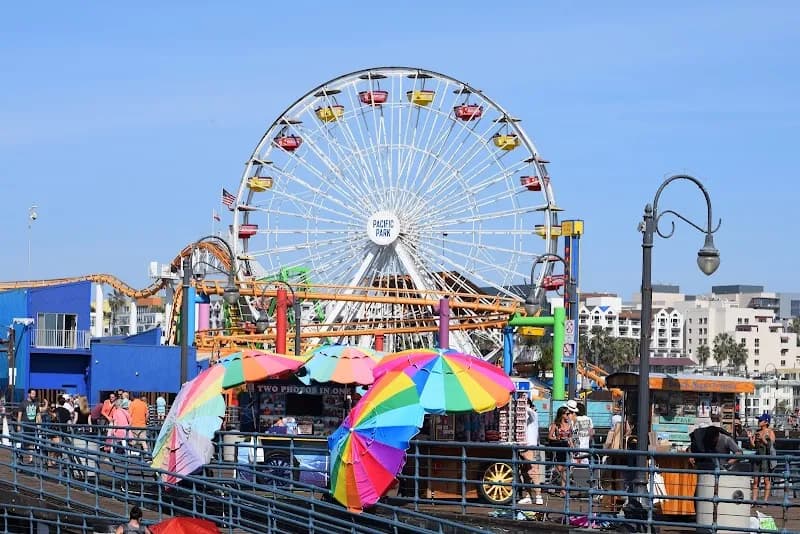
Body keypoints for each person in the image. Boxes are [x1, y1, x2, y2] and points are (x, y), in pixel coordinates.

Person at [518, 398, 543, 505]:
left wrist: (524, 407)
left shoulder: (533, 414)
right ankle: (528, 495)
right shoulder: (522, 417)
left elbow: (530, 412)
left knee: (533, 470)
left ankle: (538, 495)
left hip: (531, 445)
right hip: (522, 445)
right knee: (524, 471)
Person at [750, 413, 777, 502]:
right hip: (758, 457)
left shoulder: (770, 432)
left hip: (766, 458)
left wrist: (763, 439)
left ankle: (765, 501)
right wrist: (751, 439)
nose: (759, 422)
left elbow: (771, 445)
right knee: (755, 480)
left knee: (766, 480)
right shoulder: (757, 432)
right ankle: (754, 501)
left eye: (760, 420)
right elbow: (754, 446)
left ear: (766, 422)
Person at [548, 406, 574, 496]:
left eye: (569, 414)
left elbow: (570, 437)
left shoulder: (569, 424)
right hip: (559, 446)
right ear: (562, 415)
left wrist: (573, 447)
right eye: (567, 414)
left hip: (566, 447)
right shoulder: (555, 424)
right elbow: (550, 436)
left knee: (565, 469)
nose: (568, 415)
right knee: (559, 469)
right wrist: (557, 438)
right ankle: (561, 487)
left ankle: (563, 489)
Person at [17, 389, 38, 463]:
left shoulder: (36, 403)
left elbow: (38, 414)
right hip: (25, 425)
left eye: (35, 394)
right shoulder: (23, 403)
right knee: (24, 443)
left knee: (32, 443)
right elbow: (19, 415)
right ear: (29, 394)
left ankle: (31, 459)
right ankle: (19, 454)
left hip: (33, 425)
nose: (34, 395)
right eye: (32, 394)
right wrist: (18, 425)